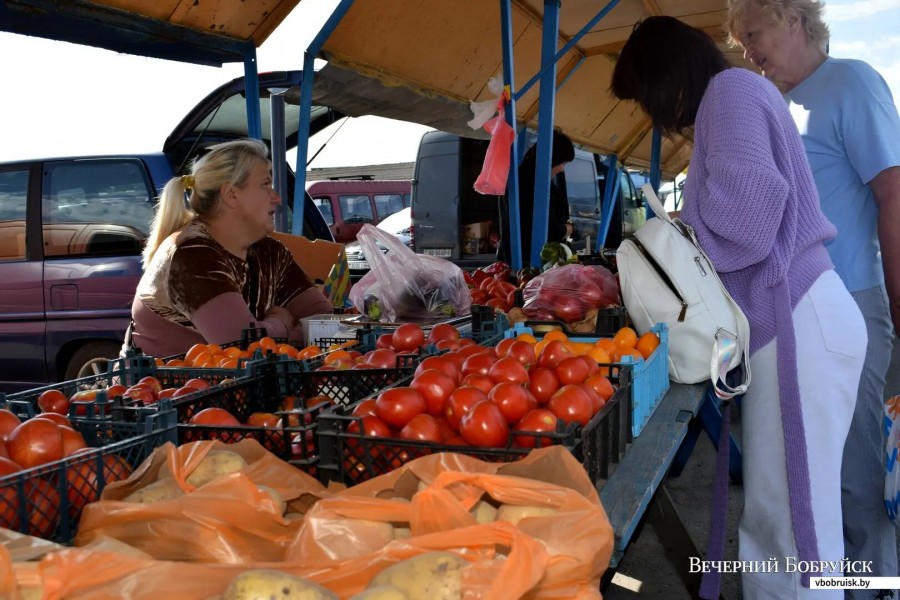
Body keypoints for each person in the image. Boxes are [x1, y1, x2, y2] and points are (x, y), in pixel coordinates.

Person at [611, 16, 867, 599]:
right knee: (785, 518)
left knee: (793, 530)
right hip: (801, 320)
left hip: (800, 322)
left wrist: (680, 239)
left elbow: (749, 217)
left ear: (669, 75)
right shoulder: (737, 97)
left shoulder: (728, 95)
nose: (656, 117)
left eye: (649, 98)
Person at [726, 2, 900, 597]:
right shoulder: (778, 107)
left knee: (854, 475)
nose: (747, 49)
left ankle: (878, 587)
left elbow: (894, 196)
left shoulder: (850, 82)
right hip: (795, 316)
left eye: (753, 33)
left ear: (791, 19)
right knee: (811, 477)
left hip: (849, 301)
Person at [127, 138, 333, 358]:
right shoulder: (192, 254)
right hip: (163, 389)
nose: (276, 198)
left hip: (227, 386)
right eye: (265, 184)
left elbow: (323, 320)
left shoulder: (270, 252)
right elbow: (242, 347)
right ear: (231, 195)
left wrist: (271, 334)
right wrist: (282, 322)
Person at [497, 131, 575, 265]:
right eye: (563, 163)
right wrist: (569, 229)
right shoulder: (538, 186)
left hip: (511, 256)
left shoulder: (516, 177)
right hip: (532, 260)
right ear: (554, 159)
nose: (562, 169)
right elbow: (550, 230)